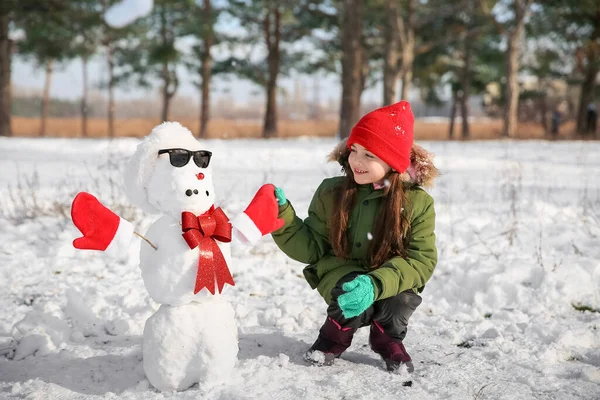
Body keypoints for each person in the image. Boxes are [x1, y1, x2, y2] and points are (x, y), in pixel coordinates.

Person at [269, 101, 439, 372]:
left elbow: (420, 261)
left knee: (400, 300)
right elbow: (313, 247)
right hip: (340, 271)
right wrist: (283, 220)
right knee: (350, 291)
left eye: (370, 155)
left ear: (393, 161)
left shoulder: (417, 203)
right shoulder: (331, 192)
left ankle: (387, 340)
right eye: (354, 150)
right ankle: (332, 340)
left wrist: (376, 283)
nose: (356, 161)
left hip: (390, 274)